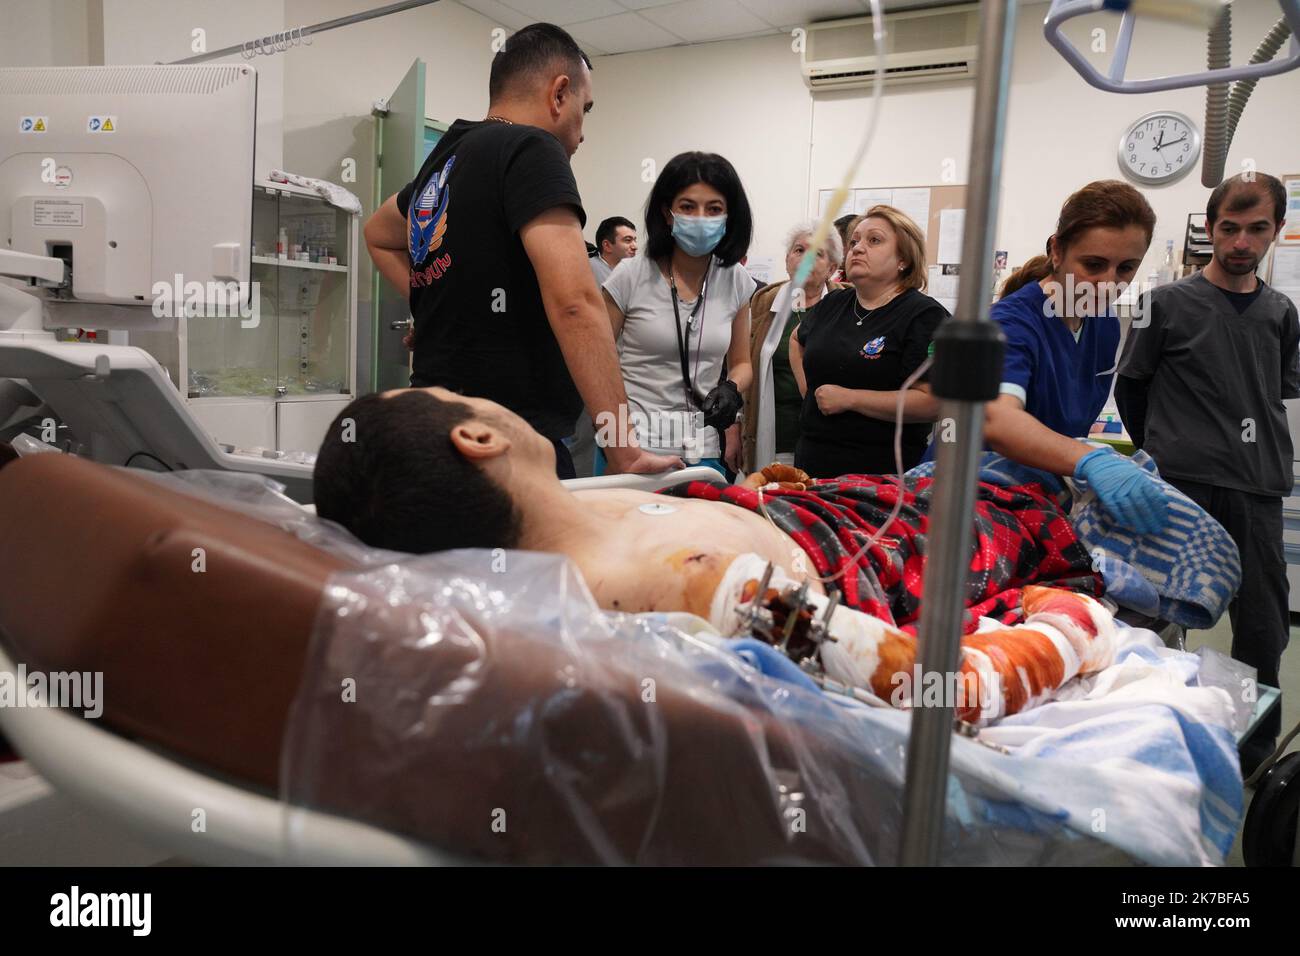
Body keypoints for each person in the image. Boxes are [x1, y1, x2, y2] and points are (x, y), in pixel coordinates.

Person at [362, 22, 677, 479]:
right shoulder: (532, 148)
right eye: (584, 110)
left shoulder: (446, 159)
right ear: (559, 93)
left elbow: (378, 233)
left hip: (431, 428)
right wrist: (622, 447)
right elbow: (575, 304)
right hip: (509, 444)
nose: (582, 132)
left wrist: (430, 308)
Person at [1117, 172, 1298, 775]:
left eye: (1257, 229)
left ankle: (1248, 756)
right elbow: (1131, 387)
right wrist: (1163, 454)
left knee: (1260, 631)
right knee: (1150, 616)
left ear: (1276, 231)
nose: (1242, 242)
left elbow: (1275, 389)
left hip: (1256, 487)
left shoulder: (1280, 312)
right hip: (1178, 489)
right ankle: (1138, 740)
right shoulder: (1164, 304)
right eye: (1229, 228)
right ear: (1209, 227)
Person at [925, 180, 1171, 535]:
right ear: (1057, 251)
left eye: (1125, 268)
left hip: (1034, 501)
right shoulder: (1010, 325)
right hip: (962, 501)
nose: (1108, 283)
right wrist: (1087, 459)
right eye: (1094, 264)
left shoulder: (1103, 323)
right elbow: (999, 420)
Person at [597, 151, 755, 478]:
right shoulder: (630, 276)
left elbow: (742, 363)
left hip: (702, 449)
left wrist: (731, 388)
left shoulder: (736, 281)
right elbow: (597, 359)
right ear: (667, 214)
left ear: (729, 217)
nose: (700, 217)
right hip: (632, 448)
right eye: (687, 207)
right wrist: (613, 432)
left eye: (714, 209)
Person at [788, 206, 948, 477]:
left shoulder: (924, 316)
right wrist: (809, 394)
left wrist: (850, 399)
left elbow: (933, 403)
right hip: (812, 466)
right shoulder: (834, 303)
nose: (858, 248)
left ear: (903, 259)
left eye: (874, 240)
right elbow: (796, 339)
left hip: (882, 476)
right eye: (854, 241)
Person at [741, 221, 845, 473]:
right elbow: (742, 365)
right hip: (773, 435)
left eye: (817, 253)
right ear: (787, 259)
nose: (805, 258)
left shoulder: (845, 303)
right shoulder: (763, 300)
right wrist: (736, 429)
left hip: (831, 439)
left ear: (832, 267)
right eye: (799, 250)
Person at [590, 216, 637, 284]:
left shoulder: (634, 271)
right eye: (628, 240)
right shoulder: (587, 269)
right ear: (607, 246)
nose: (635, 247)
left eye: (635, 240)